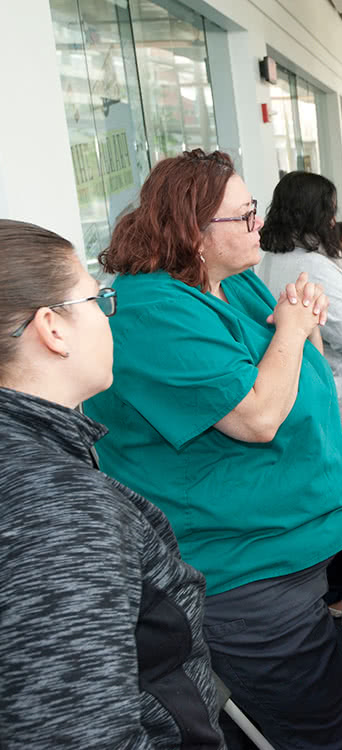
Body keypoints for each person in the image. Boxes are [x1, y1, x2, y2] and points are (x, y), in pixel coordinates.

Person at [85, 149, 342, 750]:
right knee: (320, 734)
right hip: (245, 578)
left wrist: (296, 328)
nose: (260, 224)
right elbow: (258, 415)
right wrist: (291, 330)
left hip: (291, 559)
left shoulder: (236, 286)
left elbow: (287, 372)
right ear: (193, 233)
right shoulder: (153, 313)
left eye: (254, 210)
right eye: (245, 216)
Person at [0, 220, 223, 747]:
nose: (109, 315)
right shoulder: (60, 511)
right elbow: (81, 731)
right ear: (52, 327)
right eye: (97, 299)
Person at [258, 172, 342, 492]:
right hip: (333, 389)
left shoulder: (275, 257)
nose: (333, 221)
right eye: (329, 211)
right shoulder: (311, 268)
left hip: (307, 389)